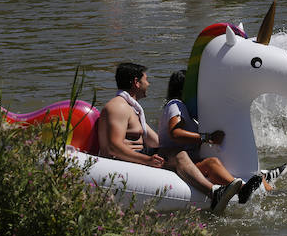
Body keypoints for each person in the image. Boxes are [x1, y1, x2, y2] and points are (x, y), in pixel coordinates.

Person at [97, 62, 242, 211]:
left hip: (137, 157)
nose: (149, 83)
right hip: (123, 163)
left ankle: (233, 187)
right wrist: (148, 160)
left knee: (182, 155)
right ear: (136, 83)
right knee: (178, 154)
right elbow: (114, 146)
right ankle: (213, 193)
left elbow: (158, 142)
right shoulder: (118, 107)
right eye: (146, 79)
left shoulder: (132, 110)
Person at [157, 69, 287, 204]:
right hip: (176, 161)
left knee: (230, 163)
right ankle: (244, 190)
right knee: (212, 163)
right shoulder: (175, 104)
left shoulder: (187, 110)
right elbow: (175, 133)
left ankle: (270, 193)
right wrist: (207, 137)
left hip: (191, 158)